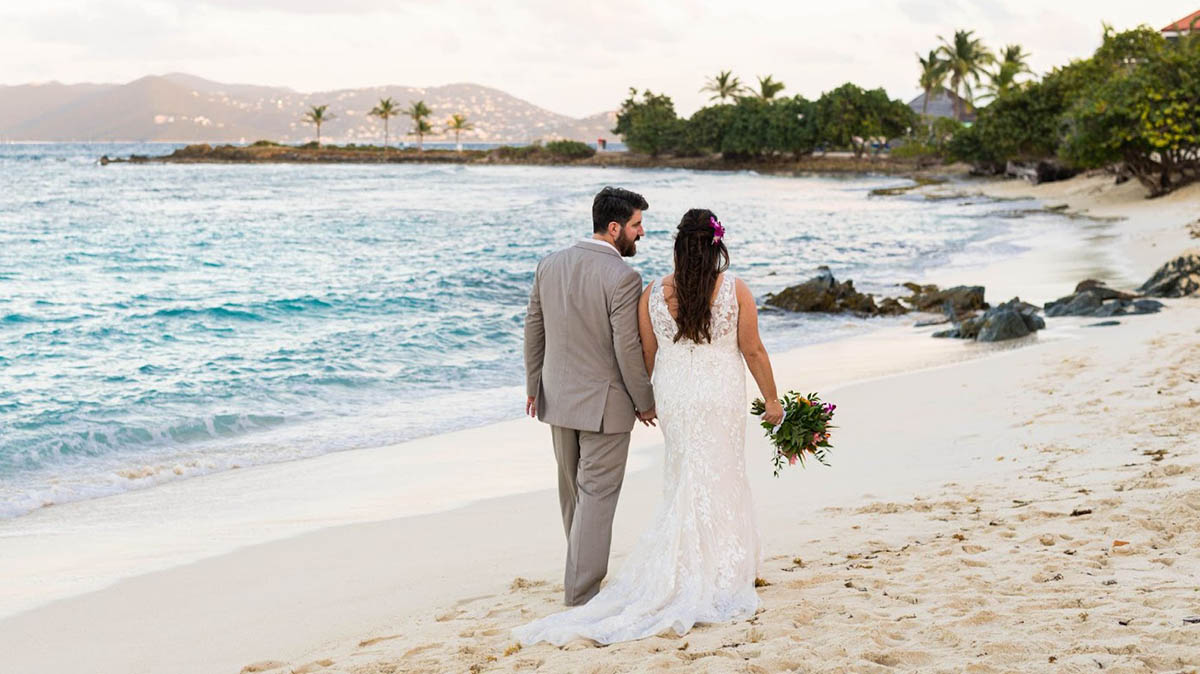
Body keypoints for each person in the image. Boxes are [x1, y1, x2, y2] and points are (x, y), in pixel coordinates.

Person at [514, 208, 784, 645]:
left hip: (674, 396)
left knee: (683, 476)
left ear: (679, 248)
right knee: (722, 471)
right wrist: (772, 399)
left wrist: (645, 403)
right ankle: (725, 568)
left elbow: (645, 352)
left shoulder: (653, 291)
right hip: (718, 392)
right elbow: (752, 350)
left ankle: (677, 565)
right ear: (717, 247)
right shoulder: (735, 289)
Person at [522, 186, 657, 607]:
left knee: (573, 495)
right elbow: (626, 347)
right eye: (636, 225)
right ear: (614, 227)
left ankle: (578, 575)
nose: (641, 233)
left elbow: (534, 329)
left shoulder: (550, 264)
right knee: (597, 496)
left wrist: (533, 388)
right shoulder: (623, 277)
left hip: (557, 398)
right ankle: (580, 595)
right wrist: (645, 400)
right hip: (606, 406)